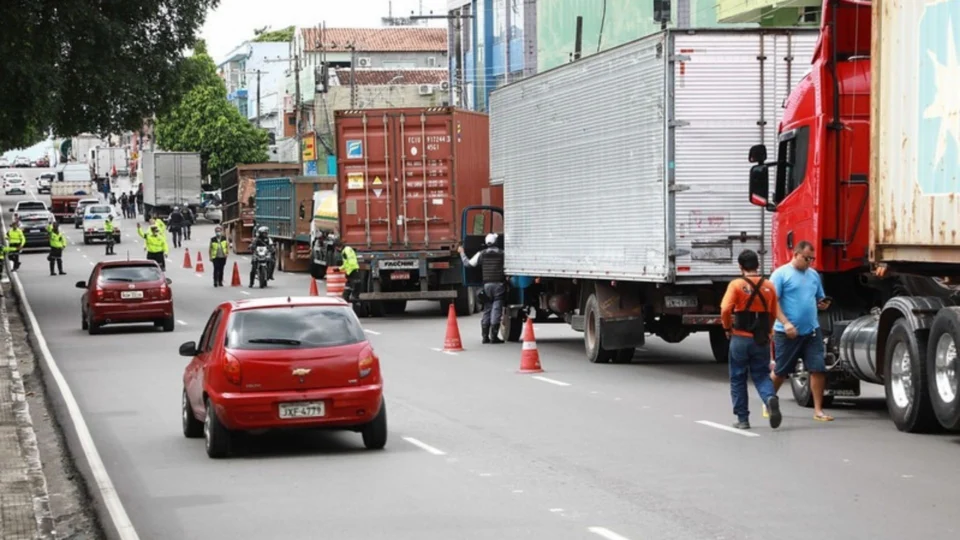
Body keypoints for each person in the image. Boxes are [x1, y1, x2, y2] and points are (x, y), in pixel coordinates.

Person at [770, 240, 834, 422]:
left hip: (811, 330)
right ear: (796, 254)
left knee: (818, 369)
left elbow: (819, 298)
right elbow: (772, 303)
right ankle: (768, 400)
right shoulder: (781, 274)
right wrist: (786, 323)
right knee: (781, 371)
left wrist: (823, 304)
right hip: (787, 332)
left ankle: (818, 410)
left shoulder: (813, 275)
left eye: (812, 259)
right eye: (806, 258)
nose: (809, 262)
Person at [720, 249, 782, 430]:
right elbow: (772, 313)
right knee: (762, 374)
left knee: (738, 377)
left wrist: (726, 327)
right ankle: (770, 397)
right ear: (758, 265)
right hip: (761, 339)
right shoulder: (769, 286)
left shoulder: (736, 285)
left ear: (740, 267)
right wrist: (768, 331)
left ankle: (743, 419)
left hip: (740, 337)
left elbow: (725, 309)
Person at [458, 233, 506, 344]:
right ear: (496, 242)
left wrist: (462, 253)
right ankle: (494, 337)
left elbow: (468, 264)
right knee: (496, 310)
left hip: (486, 286)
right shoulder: (503, 254)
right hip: (499, 285)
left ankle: (485, 337)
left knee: (487, 309)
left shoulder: (481, 254)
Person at [336, 238, 360, 302]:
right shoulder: (346, 250)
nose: (337, 250)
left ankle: (347, 300)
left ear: (338, 247)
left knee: (352, 286)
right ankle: (346, 299)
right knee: (350, 286)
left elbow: (351, 263)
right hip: (353, 270)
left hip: (352, 271)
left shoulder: (345, 251)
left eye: (336, 248)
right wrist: (339, 269)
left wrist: (348, 272)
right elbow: (346, 263)